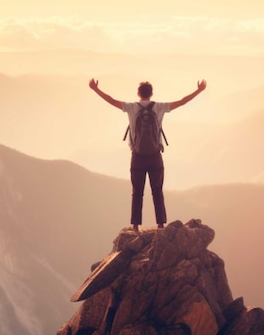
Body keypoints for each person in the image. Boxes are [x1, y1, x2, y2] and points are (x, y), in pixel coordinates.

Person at [89, 78, 207, 232]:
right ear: (151, 93)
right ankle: (160, 224)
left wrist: (95, 89)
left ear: (138, 93)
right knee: (157, 190)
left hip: (137, 156)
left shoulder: (131, 108)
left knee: (137, 191)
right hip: (155, 156)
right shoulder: (159, 107)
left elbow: (111, 100)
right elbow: (182, 102)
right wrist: (199, 90)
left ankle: (136, 225)